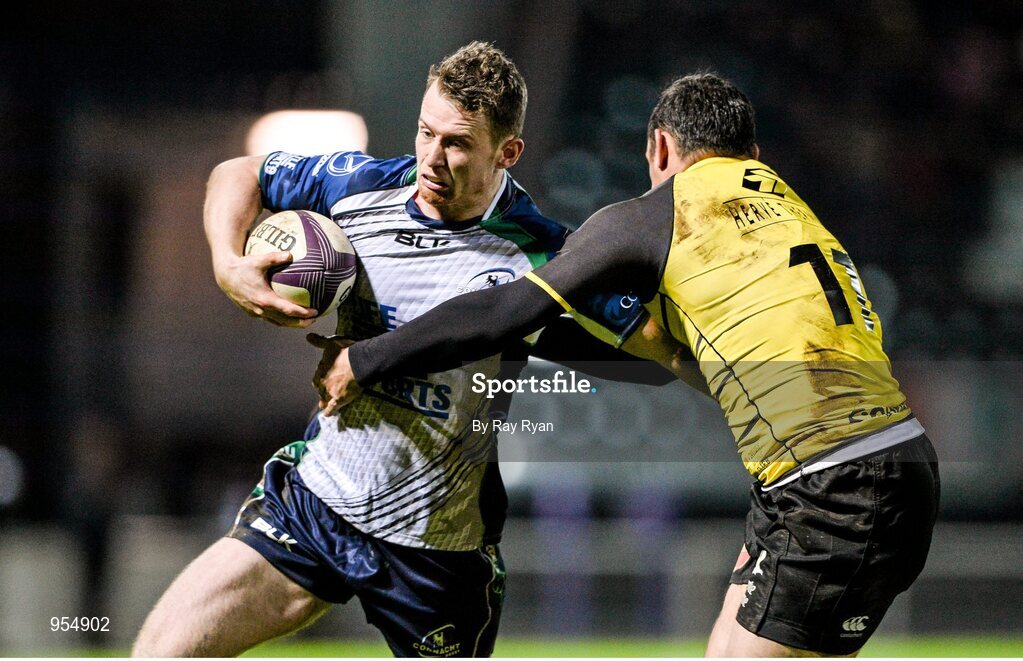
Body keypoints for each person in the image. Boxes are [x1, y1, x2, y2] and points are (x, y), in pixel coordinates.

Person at [313, 73, 941, 657]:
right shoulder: (785, 204)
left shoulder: (654, 215)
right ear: (749, 153)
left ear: (661, 147)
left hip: (837, 483)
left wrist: (367, 357)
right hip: (865, 465)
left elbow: (506, 309)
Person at [132, 42, 680, 658]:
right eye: (426, 132)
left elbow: (662, 351)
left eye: (457, 144)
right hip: (317, 505)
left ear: (508, 152)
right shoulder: (360, 186)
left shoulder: (545, 255)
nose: (432, 157)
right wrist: (229, 265)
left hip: (437, 550)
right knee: (160, 652)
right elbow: (237, 174)